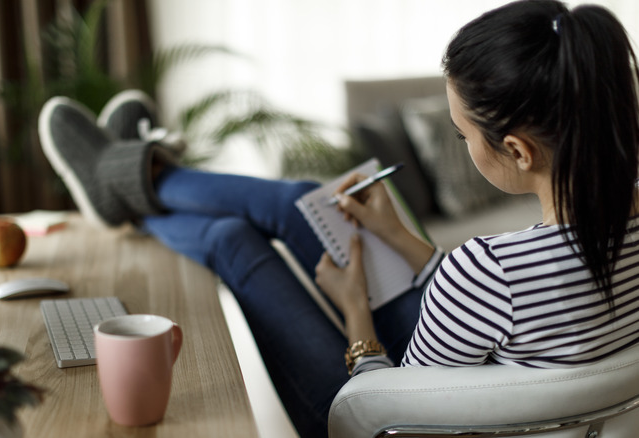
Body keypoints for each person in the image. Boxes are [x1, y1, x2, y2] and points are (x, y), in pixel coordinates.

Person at [37, 1, 639, 436]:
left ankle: (129, 184)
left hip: (381, 417)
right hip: (503, 380)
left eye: (462, 135)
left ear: (517, 150)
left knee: (233, 240)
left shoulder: (489, 270)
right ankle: (137, 183)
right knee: (302, 199)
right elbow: (500, 315)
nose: (462, 144)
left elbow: (393, 412)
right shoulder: (565, 248)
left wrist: (355, 310)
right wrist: (402, 239)